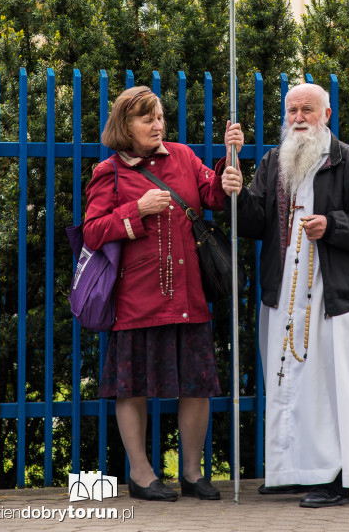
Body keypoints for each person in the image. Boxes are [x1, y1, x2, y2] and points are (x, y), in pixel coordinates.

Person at [221, 83, 349, 508]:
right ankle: (295, 472)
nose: (298, 117)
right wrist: (235, 190)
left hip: (333, 300)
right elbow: (252, 222)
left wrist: (332, 226)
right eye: (292, 110)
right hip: (285, 298)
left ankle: (337, 479)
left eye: (307, 110)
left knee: (331, 390)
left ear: (327, 114)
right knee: (291, 386)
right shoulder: (273, 162)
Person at [83, 85, 244, 503]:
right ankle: (141, 474)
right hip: (137, 299)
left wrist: (230, 167)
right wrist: (135, 211)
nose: (157, 125)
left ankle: (192, 474)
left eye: (159, 117)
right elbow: (92, 231)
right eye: (146, 119)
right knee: (130, 387)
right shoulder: (110, 173)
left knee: (197, 385)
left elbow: (211, 196)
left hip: (188, 297)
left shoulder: (183, 157)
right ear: (125, 125)